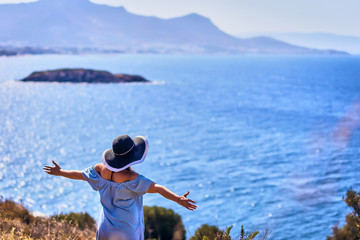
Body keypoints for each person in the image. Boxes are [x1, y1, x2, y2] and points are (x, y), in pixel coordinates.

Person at [43, 135, 197, 240]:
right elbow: (157, 188)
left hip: (105, 229)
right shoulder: (132, 179)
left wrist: (60, 172)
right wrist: (178, 199)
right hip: (127, 232)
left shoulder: (100, 170)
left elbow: (80, 175)